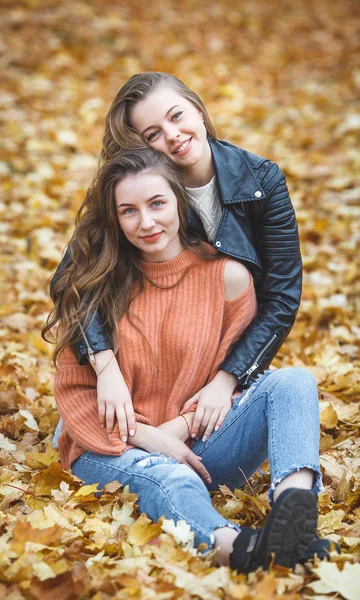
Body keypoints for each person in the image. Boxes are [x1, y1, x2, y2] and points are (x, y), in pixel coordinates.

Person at [44, 148, 327, 573]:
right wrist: (149, 437)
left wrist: (178, 430)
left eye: (157, 203)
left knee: (293, 383)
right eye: (129, 211)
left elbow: (228, 383)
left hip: (201, 447)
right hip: (110, 447)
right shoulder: (95, 286)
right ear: (116, 219)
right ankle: (239, 549)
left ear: (180, 200)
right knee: (169, 478)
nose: (146, 222)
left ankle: (295, 513)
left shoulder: (227, 278)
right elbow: (77, 397)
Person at [51, 72, 304, 449]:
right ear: (143, 146)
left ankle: (294, 502)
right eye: (153, 133)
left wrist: (225, 381)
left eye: (177, 116)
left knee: (294, 385)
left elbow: (282, 296)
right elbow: (72, 279)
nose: (172, 135)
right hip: (139, 377)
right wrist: (105, 370)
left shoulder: (261, 181)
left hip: (210, 374)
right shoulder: (140, 196)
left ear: (199, 111)